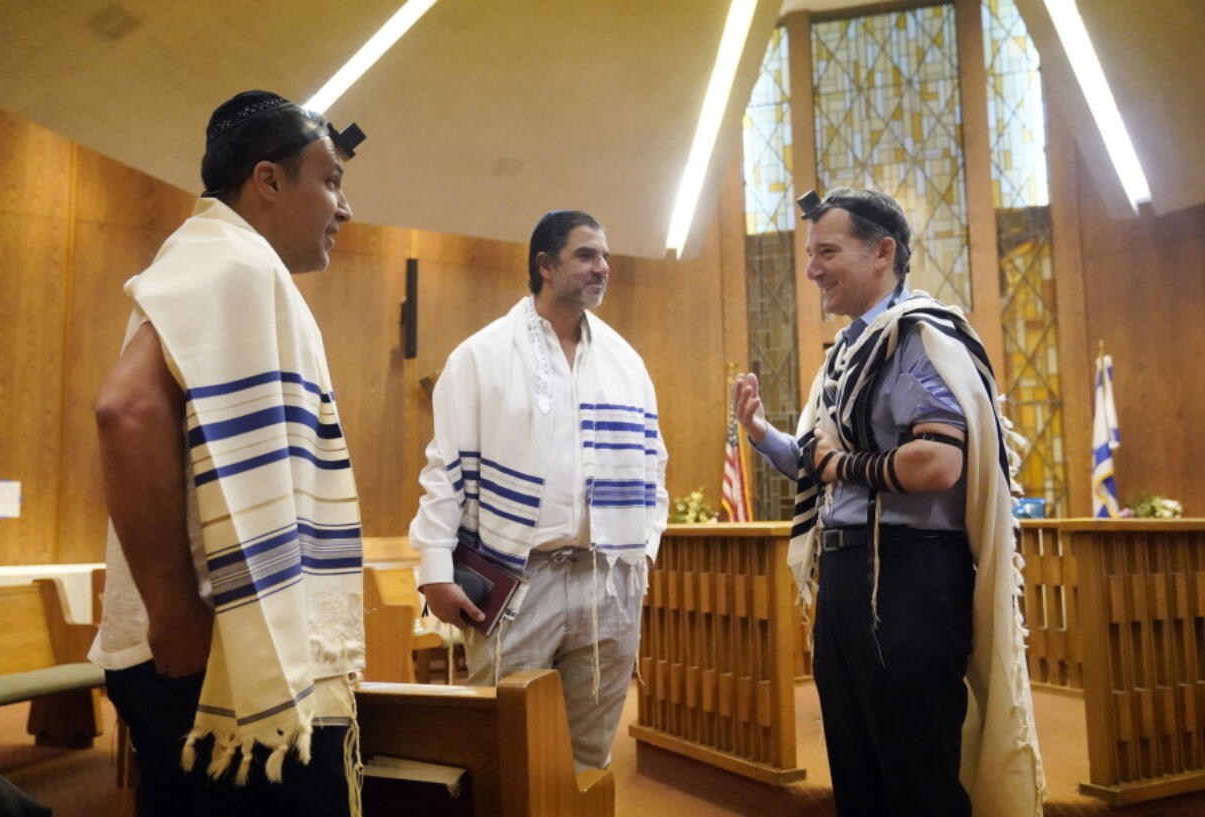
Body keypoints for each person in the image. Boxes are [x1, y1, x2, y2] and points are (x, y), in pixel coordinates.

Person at [89, 90, 368, 817]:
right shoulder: (229, 259)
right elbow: (126, 410)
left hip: (215, 652)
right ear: (268, 181)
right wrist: (174, 611)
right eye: (330, 178)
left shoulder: (233, 263)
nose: (344, 208)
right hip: (210, 656)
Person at [732, 188, 1045, 817]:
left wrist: (836, 464)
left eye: (827, 251)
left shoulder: (918, 338)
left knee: (916, 774)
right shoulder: (851, 349)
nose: (812, 268)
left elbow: (937, 462)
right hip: (849, 576)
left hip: (908, 577)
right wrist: (764, 435)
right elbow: (817, 468)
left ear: (883, 252)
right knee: (857, 767)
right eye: (809, 252)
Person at [409, 210, 668, 771]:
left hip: (609, 579)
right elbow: (444, 466)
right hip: (519, 580)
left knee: (591, 754)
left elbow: (654, 466)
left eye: (604, 256)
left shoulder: (626, 362)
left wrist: (642, 547)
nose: (602, 267)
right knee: (507, 750)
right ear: (545, 266)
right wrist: (434, 569)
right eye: (586, 255)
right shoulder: (481, 355)